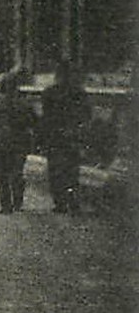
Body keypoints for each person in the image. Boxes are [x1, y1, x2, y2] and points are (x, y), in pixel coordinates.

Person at [0, 71, 35, 214]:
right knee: (17, 172)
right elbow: (33, 121)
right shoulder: (24, 104)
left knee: (2, 175)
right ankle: (18, 202)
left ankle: (6, 206)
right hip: (20, 142)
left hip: (0, 142)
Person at [41, 64, 88, 214]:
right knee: (72, 171)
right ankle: (73, 202)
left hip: (55, 137)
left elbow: (46, 117)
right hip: (72, 137)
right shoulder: (79, 93)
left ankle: (60, 203)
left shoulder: (49, 92)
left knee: (55, 171)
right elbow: (87, 115)